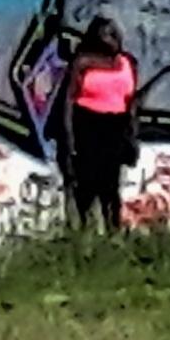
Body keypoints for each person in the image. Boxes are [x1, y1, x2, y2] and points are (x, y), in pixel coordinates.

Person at [52, 16, 138, 232]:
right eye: (107, 34)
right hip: (88, 123)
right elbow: (69, 100)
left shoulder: (126, 63)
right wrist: (69, 136)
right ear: (96, 37)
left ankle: (113, 230)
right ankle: (83, 229)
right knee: (87, 181)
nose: (113, 39)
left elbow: (132, 102)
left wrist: (132, 135)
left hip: (116, 125)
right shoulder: (83, 62)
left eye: (115, 34)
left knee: (111, 183)